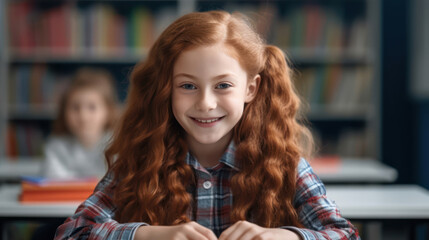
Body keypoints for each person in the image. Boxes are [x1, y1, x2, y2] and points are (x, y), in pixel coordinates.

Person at [55, 11, 360, 240]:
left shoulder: (285, 165)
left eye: (223, 85)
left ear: (250, 89)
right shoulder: (141, 161)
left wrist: (286, 236)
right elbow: (73, 232)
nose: (205, 103)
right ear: (167, 90)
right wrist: (150, 235)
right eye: (187, 86)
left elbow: (344, 234)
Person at [42, 67, 120, 179]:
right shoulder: (55, 148)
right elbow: (52, 181)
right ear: (64, 112)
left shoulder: (117, 146)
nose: (83, 116)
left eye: (92, 107)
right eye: (75, 107)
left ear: (108, 111)